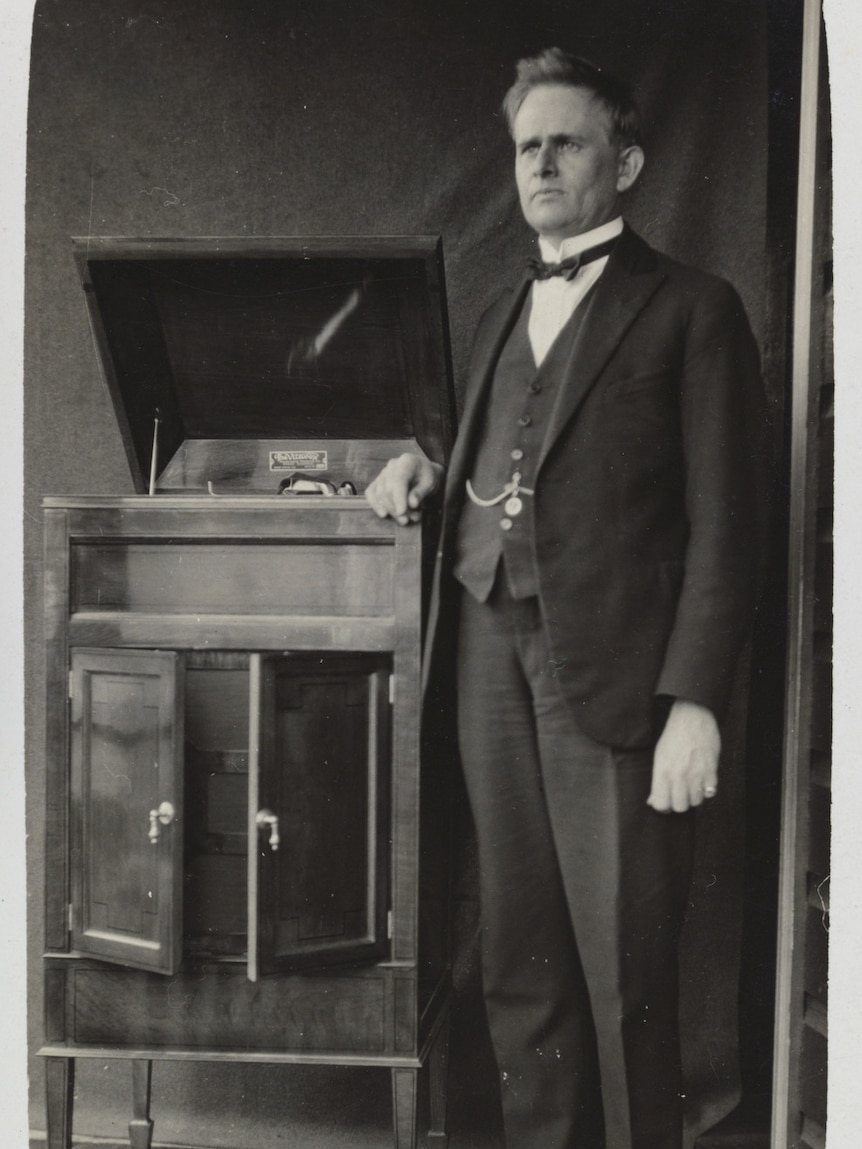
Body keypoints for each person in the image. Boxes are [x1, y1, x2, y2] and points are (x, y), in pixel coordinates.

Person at [365, 48, 767, 1149]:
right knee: (517, 957)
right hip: (485, 659)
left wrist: (696, 702)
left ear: (625, 162)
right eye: (527, 146)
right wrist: (422, 466)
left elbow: (731, 521)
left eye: (568, 142)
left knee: (625, 967)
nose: (541, 163)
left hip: (621, 683)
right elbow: (495, 446)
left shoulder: (694, 309)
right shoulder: (501, 306)